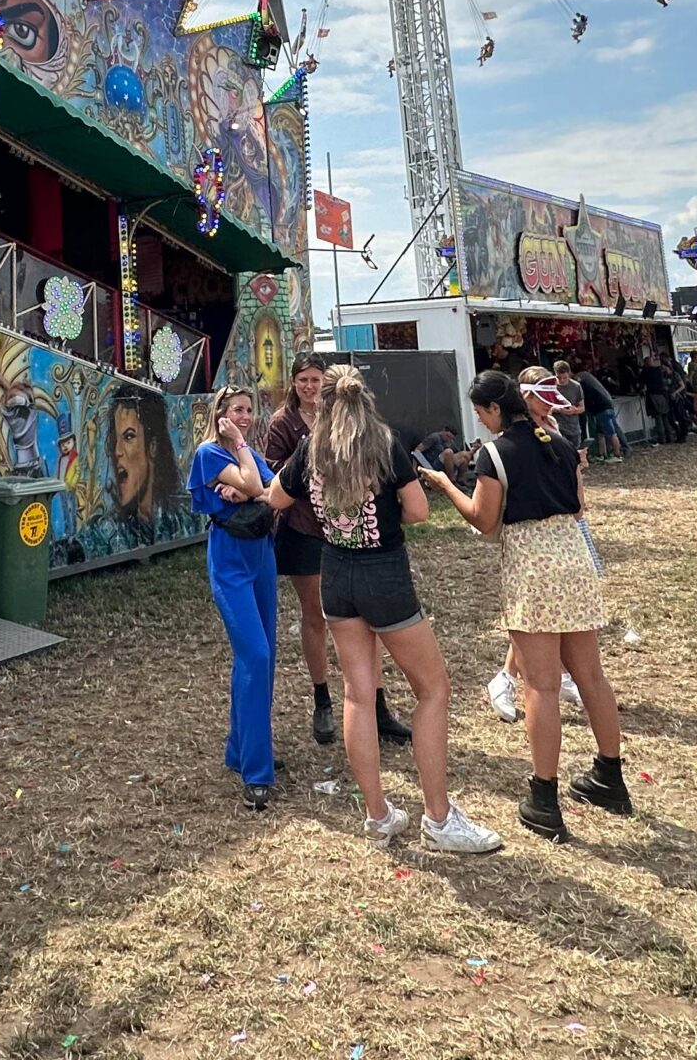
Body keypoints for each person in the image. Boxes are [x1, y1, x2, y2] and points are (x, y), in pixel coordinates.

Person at [263, 366, 499, 855]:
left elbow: (277, 496)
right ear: (365, 399)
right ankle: (438, 818)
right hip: (384, 573)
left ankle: (377, 815)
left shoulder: (310, 448)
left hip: (335, 574)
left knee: (357, 694)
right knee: (433, 689)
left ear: (324, 402)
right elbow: (418, 511)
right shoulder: (384, 443)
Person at [421, 369, 632, 843]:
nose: (480, 420)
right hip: (573, 558)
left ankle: (544, 797)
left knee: (540, 685)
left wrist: (446, 485)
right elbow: (577, 506)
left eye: (481, 412)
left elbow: (483, 519)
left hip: (533, 568)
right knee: (591, 675)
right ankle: (610, 774)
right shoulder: (559, 442)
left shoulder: (495, 453)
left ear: (496, 408)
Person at [262, 357, 406, 748]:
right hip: (305, 529)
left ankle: (377, 706)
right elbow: (275, 475)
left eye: (315, 380)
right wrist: (313, 460)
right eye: (302, 380)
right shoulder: (284, 424)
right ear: (293, 383)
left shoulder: (355, 421)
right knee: (316, 616)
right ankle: (322, 699)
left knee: (366, 621)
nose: (309, 387)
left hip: (349, 530)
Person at [188, 387, 279, 810]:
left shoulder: (246, 454)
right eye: (237, 410)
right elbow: (259, 482)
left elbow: (271, 488)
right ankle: (257, 772)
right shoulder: (210, 453)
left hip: (262, 554)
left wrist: (247, 489)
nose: (244, 416)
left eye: (248, 410)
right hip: (229, 558)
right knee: (254, 655)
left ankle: (242, 749)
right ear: (220, 414)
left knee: (264, 656)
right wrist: (248, 470)